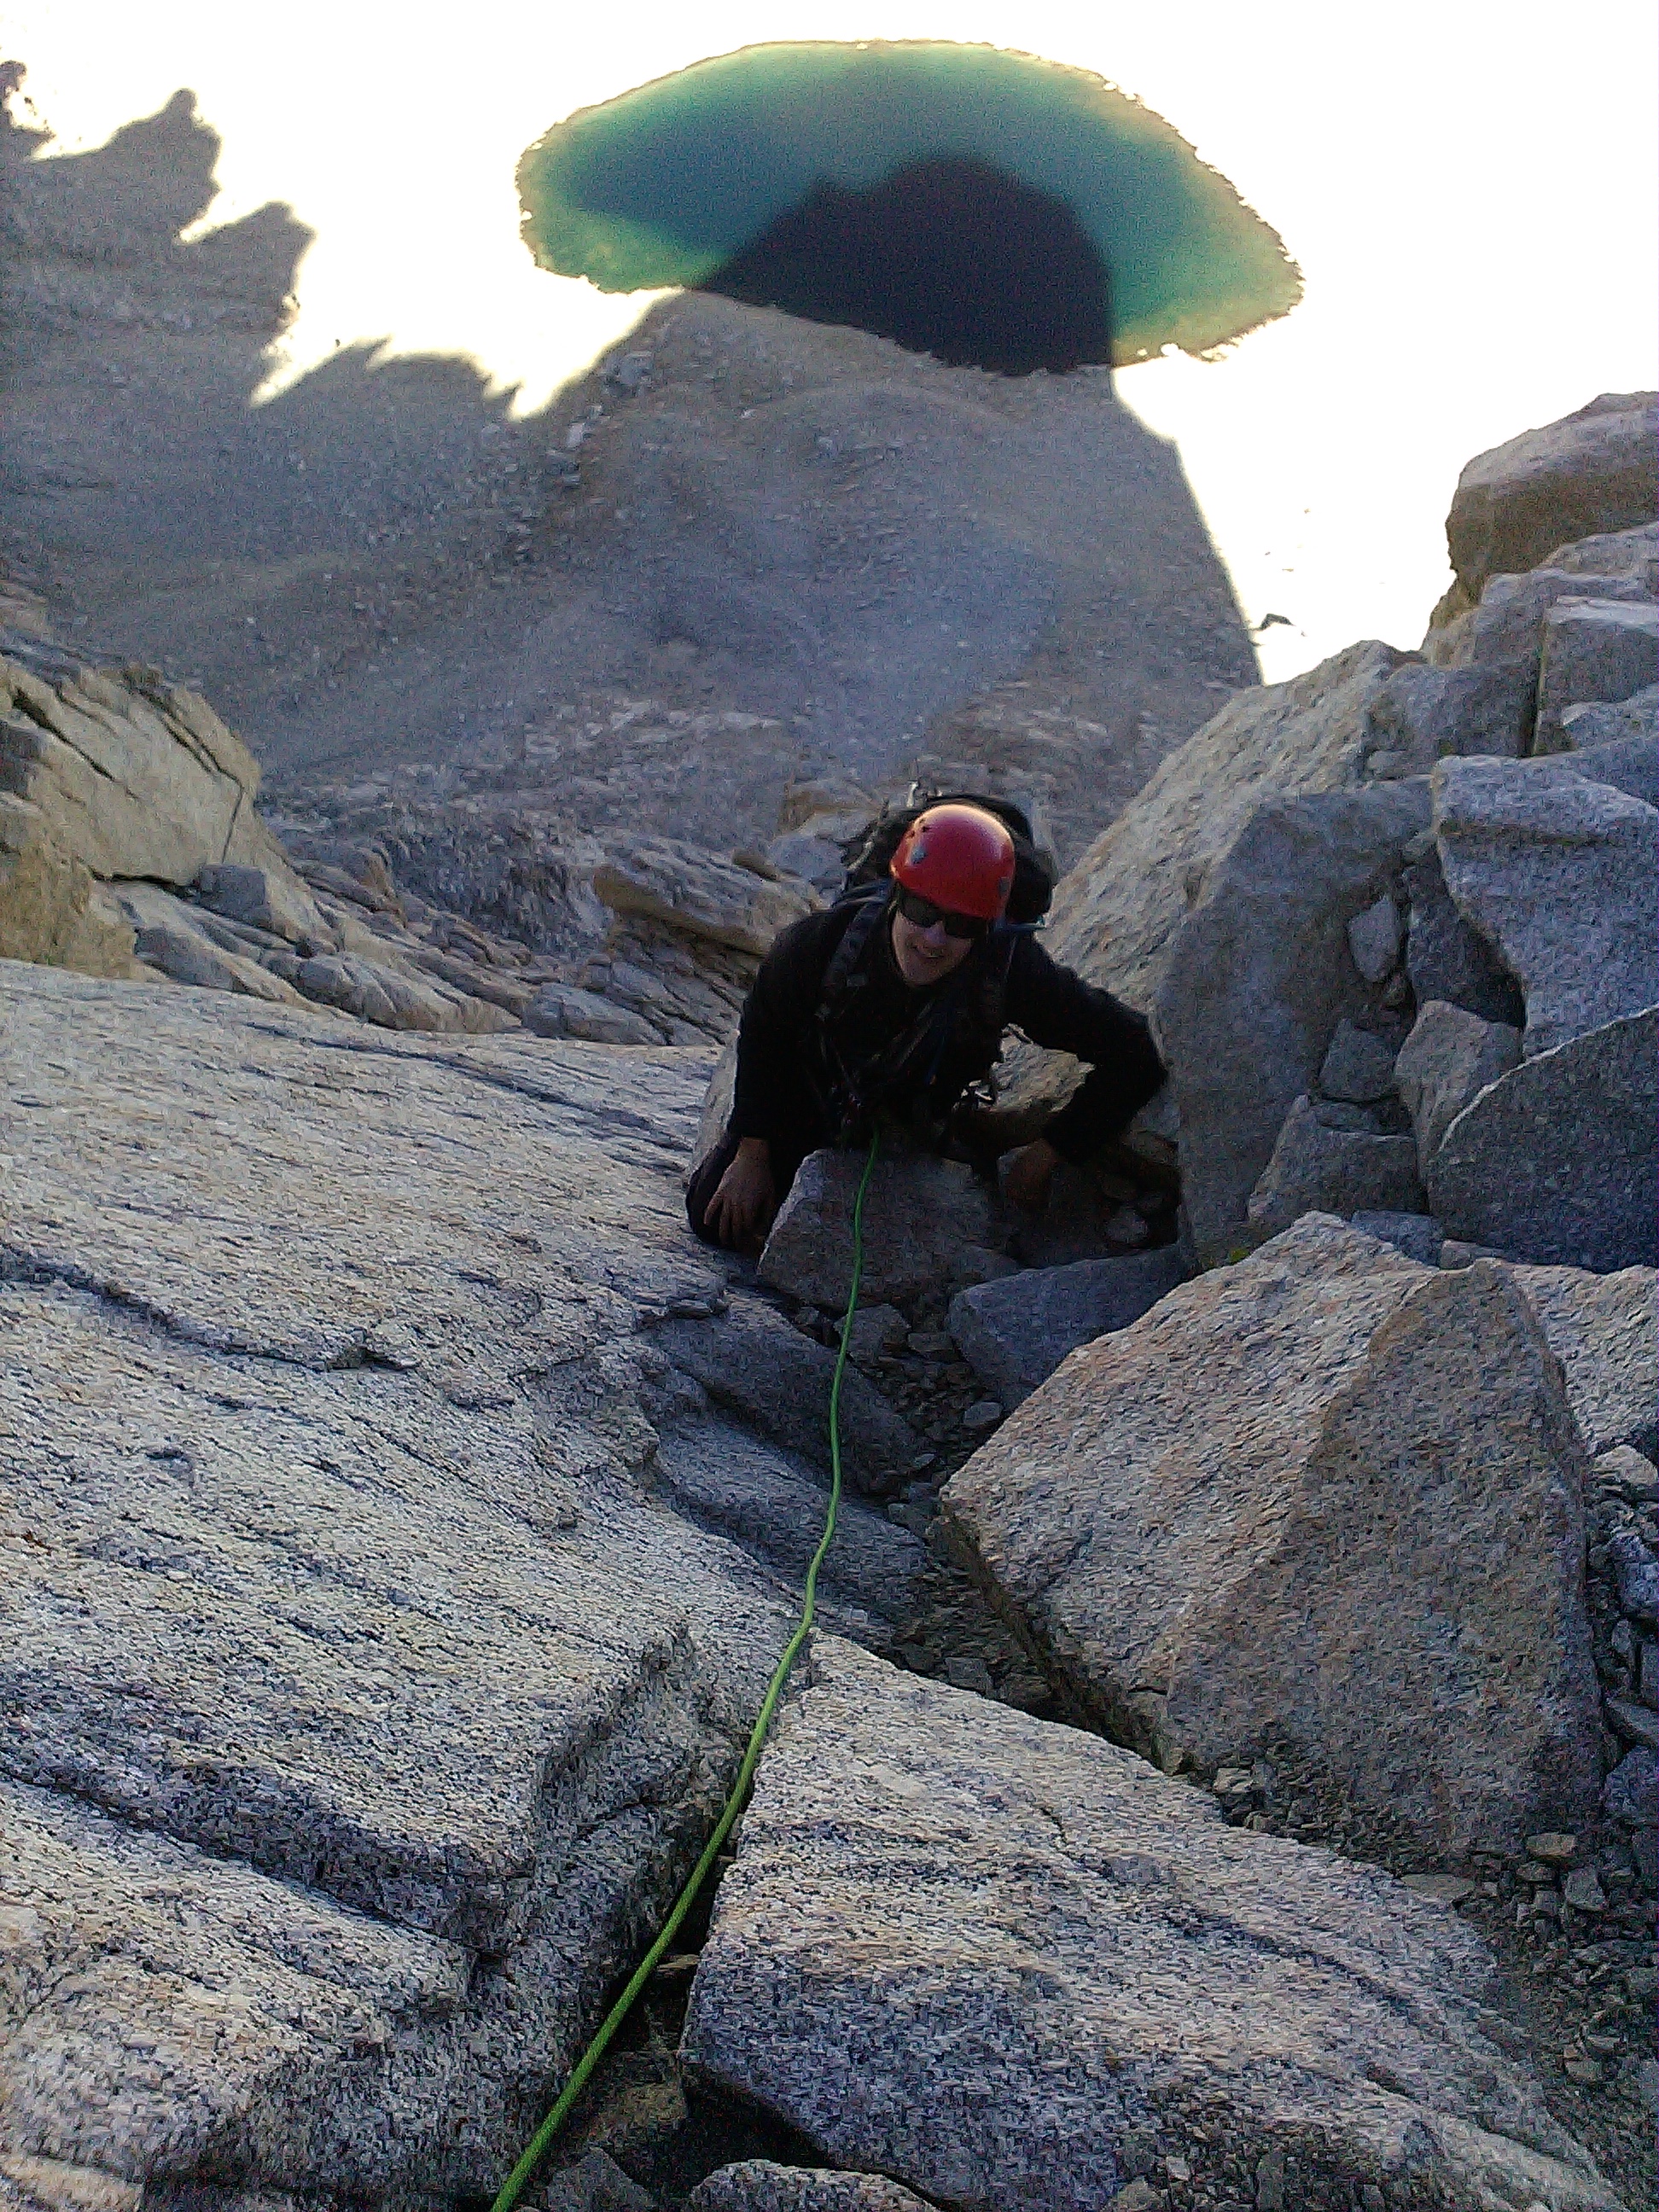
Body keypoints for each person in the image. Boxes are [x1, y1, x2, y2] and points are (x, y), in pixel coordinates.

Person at [688, 800, 1165, 1250]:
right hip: (815, 1087)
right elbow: (764, 1030)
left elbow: (1134, 1050)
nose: (936, 939)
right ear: (896, 895)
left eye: (963, 925)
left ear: (988, 930)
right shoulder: (821, 946)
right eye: (923, 911)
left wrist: (1051, 1152)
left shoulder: (1010, 972)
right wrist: (753, 1150)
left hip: (913, 1114)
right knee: (717, 1215)